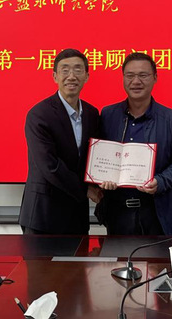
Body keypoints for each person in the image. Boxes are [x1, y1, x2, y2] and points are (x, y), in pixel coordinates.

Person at [95, 52, 172, 235]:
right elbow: (99, 155)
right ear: (123, 78)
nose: (136, 81)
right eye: (130, 75)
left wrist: (160, 181)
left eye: (143, 75)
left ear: (155, 78)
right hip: (117, 214)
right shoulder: (108, 115)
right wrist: (102, 177)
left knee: (160, 255)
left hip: (157, 214)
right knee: (117, 255)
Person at [19, 49, 102, 235]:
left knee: (79, 256)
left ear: (87, 76)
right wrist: (85, 190)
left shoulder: (92, 114)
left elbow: (95, 157)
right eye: (65, 70)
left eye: (78, 69)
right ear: (55, 76)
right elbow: (50, 166)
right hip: (44, 215)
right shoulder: (39, 115)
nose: (71, 76)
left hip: (76, 215)